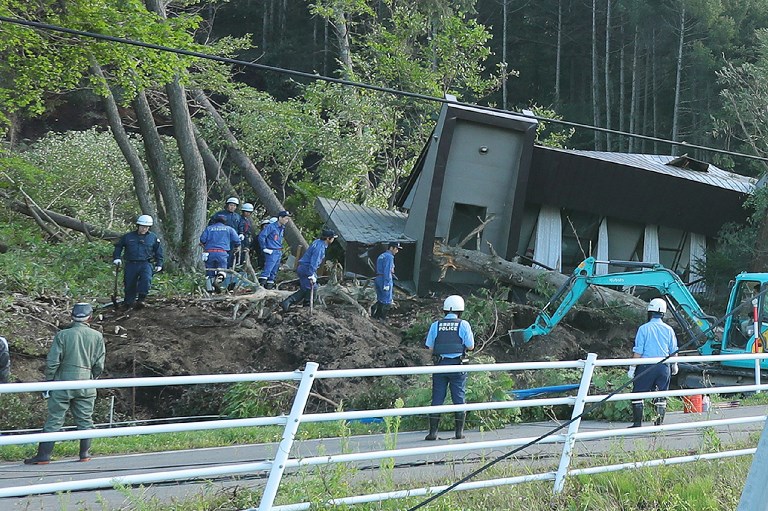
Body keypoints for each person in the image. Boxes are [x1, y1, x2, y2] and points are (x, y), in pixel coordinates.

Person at [24, 303, 106, 464]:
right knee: (85, 420)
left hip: (63, 383)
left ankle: (44, 456)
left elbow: (53, 362)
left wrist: (50, 381)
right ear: (90, 317)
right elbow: (99, 365)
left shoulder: (63, 335)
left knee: (54, 419)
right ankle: (84, 454)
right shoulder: (97, 336)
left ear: (72, 316)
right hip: (86, 383)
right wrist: (91, 377)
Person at [424, 295, 475, 441]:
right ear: (461, 310)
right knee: (459, 398)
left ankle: (433, 433)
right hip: (458, 367)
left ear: (445, 309)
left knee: (437, 399)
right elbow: (470, 346)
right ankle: (459, 433)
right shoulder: (464, 325)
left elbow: (430, 346)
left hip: (440, 366)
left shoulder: (436, 325)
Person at [627, 298, 678, 428]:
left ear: (650, 311)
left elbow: (638, 351)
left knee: (638, 394)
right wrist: (674, 365)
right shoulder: (669, 329)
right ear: (663, 313)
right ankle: (658, 424)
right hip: (663, 366)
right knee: (661, 396)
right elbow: (674, 350)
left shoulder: (644, 329)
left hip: (646, 366)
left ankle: (637, 424)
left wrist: (632, 368)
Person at [280, 228, 338, 312]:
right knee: (312, 288)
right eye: (332, 238)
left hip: (304, 267)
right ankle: (301, 304)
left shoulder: (318, 242)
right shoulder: (320, 248)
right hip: (306, 268)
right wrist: (311, 274)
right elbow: (314, 262)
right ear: (328, 238)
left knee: (306, 288)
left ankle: (295, 304)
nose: (333, 240)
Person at [112, 215, 164, 309]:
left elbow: (158, 251)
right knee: (129, 283)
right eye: (143, 226)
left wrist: (159, 263)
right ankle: (128, 302)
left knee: (146, 280)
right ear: (138, 225)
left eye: (147, 227)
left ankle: (141, 300)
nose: (145, 229)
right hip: (131, 263)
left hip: (146, 263)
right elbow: (119, 246)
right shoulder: (128, 236)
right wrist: (117, 257)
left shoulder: (153, 237)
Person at [200, 214, 241, 293]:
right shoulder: (229, 229)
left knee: (209, 272)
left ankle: (210, 291)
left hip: (209, 253)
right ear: (225, 221)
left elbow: (202, 239)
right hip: (222, 253)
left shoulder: (209, 229)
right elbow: (237, 240)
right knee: (222, 269)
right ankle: (218, 280)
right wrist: (237, 247)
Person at [257, 210, 291, 289]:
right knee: (267, 270)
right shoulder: (271, 227)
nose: (287, 220)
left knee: (274, 271)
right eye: (286, 218)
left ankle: (269, 287)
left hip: (278, 251)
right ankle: (260, 287)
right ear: (280, 218)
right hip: (271, 250)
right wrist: (264, 248)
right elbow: (262, 236)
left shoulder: (282, 228)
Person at [209, 197, 245, 270]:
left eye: (234, 206)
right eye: (231, 205)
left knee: (230, 256)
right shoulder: (219, 214)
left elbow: (240, 226)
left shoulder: (237, 217)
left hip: (232, 241)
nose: (232, 207)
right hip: (219, 240)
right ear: (227, 205)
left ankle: (227, 272)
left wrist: (241, 233)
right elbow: (211, 225)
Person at [372, 242, 401, 321]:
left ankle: (375, 317)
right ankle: (382, 319)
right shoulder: (389, 257)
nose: (397, 251)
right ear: (391, 248)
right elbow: (387, 270)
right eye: (396, 249)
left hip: (378, 278)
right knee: (387, 300)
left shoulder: (382, 255)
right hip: (384, 279)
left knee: (380, 298)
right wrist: (387, 283)